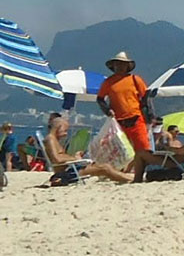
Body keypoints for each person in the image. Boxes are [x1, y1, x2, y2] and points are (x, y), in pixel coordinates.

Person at [96, 52, 155, 180]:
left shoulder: (135, 79)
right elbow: (100, 99)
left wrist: (150, 116)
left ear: (128, 66)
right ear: (114, 66)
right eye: (117, 64)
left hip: (136, 118)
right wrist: (107, 111)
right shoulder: (108, 82)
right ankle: (122, 173)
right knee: (121, 150)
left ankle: (142, 173)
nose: (120, 67)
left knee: (143, 149)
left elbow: (146, 97)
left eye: (123, 64)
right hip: (118, 122)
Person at [42, 111, 131, 184]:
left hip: (71, 170)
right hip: (67, 174)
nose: (66, 134)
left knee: (103, 166)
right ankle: (130, 180)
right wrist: (75, 158)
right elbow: (56, 159)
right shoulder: (50, 139)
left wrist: (76, 157)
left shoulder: (54, 139)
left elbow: (60, 157)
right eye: (65, 130)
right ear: (58, 127)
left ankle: (127, 178)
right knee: (104, 168)